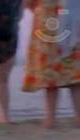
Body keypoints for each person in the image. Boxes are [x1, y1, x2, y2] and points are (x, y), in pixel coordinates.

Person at [23, 0, 80, 129]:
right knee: (74, 73)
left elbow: (28, 4)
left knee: (51, 74)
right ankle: (77, 117)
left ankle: (50, 119)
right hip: (69, 19)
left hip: (48, 20)